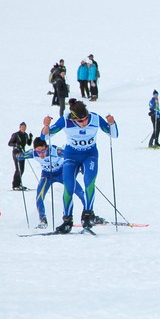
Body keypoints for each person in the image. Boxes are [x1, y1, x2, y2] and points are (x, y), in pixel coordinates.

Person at [42, 100, 118, 233]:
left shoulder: (95, 118)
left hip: (90, 155)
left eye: (86, 119)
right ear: (73, 118)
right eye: (80, 121)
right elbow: (44, 137)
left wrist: (112, 123)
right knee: (69, 186)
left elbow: (114, 135)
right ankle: (67, 220)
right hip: (71, 155)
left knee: (89, 182)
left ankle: (88, 215)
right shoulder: (65, 120)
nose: (84, 123)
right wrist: (46, 125)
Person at [18, 138, 87, 229]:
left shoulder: (56, 151)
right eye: (38, 151)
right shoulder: (33, 153)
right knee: (39, 197)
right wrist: (18, 154)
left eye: (43, 151)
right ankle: (43, 220)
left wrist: (80, 165)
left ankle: (88, 215)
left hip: (62, 173)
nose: (41, 154)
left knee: (80, 192)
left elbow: (70, 155)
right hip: (47, 176)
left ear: (46, 147)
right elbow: (20, 156)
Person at [8, 122, 33, 190]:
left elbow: (29, 143)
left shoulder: (25, 135)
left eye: (24, 127)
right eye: (22, 127)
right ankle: (15, 185)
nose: (23, 128)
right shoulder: (16, 134)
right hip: (16, 152)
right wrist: (16, 144)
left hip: (22, 153)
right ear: (20, 127)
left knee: (22, 169)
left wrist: (30, 137)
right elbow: (9, 143)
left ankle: (19, 183)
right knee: (18, 168)